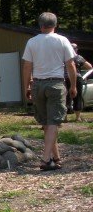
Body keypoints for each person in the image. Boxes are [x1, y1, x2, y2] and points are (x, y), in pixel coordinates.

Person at [22, 12, 77, 171]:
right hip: (56, 84)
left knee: (46, 122)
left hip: (38, 84)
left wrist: (26, 86)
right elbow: (71, 65)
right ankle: (46, 159)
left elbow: (27, 66)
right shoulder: (62, 40)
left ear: (40, 25)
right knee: (53, 122)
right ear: (55, 25)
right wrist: (73, 85)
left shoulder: (32, 42)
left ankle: (56, 157)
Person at [65, 43, 92, 122]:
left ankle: (64, 117)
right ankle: (77, 117)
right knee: (77, 97)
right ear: (75, 49)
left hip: (64, 78)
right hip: (76, 77)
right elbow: (89, 66)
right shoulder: (77, 57)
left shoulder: (62, 57)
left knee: (65, 97)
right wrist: (79, 66)